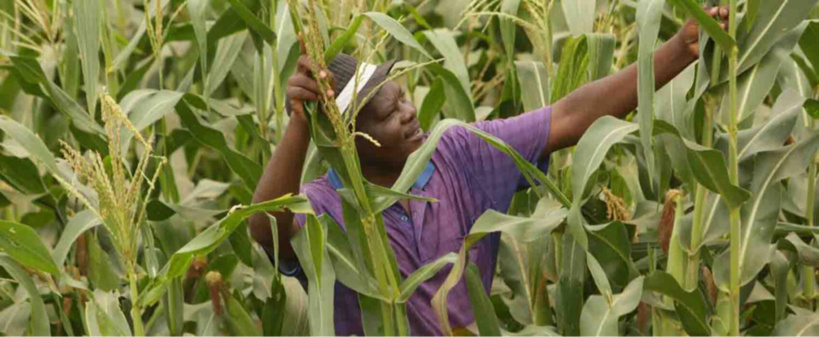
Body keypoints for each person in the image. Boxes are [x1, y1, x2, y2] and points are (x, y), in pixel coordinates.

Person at [249, 7, 729, 336]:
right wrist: (299, 123)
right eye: (389, 114)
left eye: (405, 97)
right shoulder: (326, 207)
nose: (411, 113)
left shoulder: (453, 153)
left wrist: (676, 52)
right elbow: (264, 227)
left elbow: (565, 119)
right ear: (350, 138)